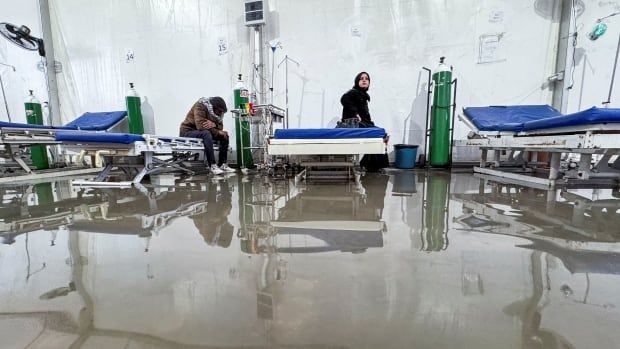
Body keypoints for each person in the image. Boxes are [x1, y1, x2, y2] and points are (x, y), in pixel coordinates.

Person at [340, 72, 389, 172]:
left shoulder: (363, 95)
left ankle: (367, 165)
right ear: (357, 81)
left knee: (380, 134)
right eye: (361, 78)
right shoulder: (353, 92)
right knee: (380, 133)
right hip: (353, 124)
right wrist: (355, 113)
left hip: (363, 124)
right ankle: (371, 165)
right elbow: (343, 99)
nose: (364, 80)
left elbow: (365, 115)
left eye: (366, 78)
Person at [179, 96, 236, 175]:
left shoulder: (217, 114)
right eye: (219, 111)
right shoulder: (200, 106)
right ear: (213, 108)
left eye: (222, 112)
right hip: (188, 131)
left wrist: (214, 124)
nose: (220, 114)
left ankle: (223, 164)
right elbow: (201, 126)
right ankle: (212, 165)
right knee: (206, 133)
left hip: (201, 132)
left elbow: (220, 127)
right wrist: (217, 131)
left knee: (225, 135)